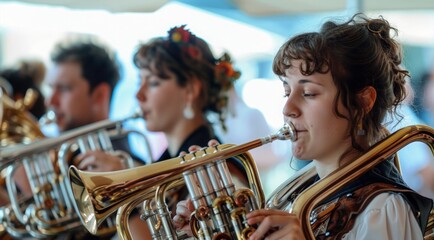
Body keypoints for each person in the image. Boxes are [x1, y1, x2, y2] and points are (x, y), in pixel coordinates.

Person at [173, 14, 433, 239]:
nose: (288, 109)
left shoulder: (382, 208)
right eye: (287, 91)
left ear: (362, 102)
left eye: (308, 93)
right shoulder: (299, 198)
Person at [127, 25, 245, 239]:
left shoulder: (218, 172)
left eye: (153, 82)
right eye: (139, 81)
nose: (139, 95)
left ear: (191, 90)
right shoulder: (163, 162)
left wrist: (130, 204)